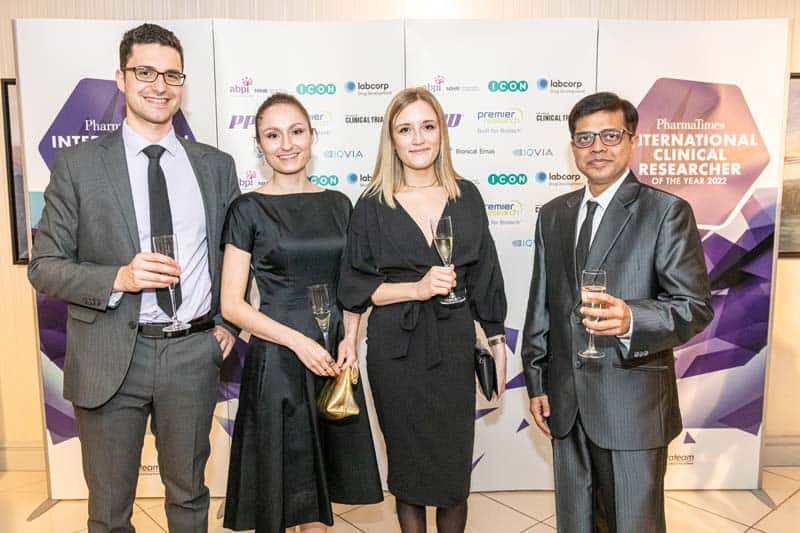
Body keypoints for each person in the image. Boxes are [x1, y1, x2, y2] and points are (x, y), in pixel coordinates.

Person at [28, 24, 240, 532]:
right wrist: (119, 277)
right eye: (145, 72)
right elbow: (44, 266)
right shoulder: (78, 166)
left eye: (171, 74)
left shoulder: (215, 167)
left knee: (189, 498)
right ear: (121, 79)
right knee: (109, 511)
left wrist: (230, 324)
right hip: (108, 352)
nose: (159, 85)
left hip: (192, 353)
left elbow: (238, 254)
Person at [521, 91, 714, 532]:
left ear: (631, 140)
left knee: (632, 524)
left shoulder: (665, 212)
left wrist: (632, 320)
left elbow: (694, 306)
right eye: (584, 138)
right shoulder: (553, 215)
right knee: (577, 523)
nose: (597, 148)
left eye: (610, 135)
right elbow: (542, 305)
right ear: (573, 147)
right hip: (567, 403)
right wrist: (536, 380)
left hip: (632, 405)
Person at [338, 87, 508, 533]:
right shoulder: (373, 204)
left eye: (427, 126)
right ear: (391, 139)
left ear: (441, 133)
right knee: (409, 472)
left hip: (453, 346)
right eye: (405, 129)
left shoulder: (467, 196)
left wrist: (496, 340)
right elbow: (356, 287)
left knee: (453, 474)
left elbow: (485, 276)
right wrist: (415, 289)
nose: (417, 138)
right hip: (396, 351)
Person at [220, 93, 383, 533]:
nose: (287, 144)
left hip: (332, 356)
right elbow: (232, 304)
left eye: (296, 132)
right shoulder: (247, 209)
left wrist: (351, 338)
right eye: (273, 135)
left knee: (318, 489)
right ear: (260, 145)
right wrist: (297, 342)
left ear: (312, 136)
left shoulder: (339, 204)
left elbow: (353, 286)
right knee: (282, 487)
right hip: (278, 358)